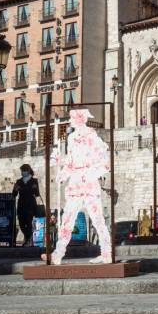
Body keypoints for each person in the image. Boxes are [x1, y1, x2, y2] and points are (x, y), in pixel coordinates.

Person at [45, 109, 112, 265]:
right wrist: (62, 173)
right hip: (75, 184)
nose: (70, 121)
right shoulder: (72, 138)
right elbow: (70, 162)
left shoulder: (92, 136)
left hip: (88, 183)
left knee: (97, 220)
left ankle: (107, 252)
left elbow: (105, 158)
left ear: (80, 120)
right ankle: (58, 253)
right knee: (67, 219)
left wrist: (93, 173)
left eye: (73, 119)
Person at [12, 164, 39, 247]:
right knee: (21, 223)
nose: (23, 172)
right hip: (21, 204)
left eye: (24, 170)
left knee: (28, 222)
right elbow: (14, 194)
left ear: (28, 171)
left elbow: (37, 194)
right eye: (22, 171)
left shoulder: (34, 181)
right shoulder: (19, 181)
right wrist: (15, 189)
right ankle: (28, 238)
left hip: (30, 204)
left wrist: (35, 188)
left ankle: (28, 240)